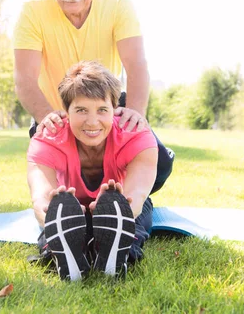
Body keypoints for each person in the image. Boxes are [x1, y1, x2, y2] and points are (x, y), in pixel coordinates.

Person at [13, 0, 174, 198]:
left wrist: (134, 113)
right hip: (55, 112)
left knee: (161, 165)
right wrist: (47, 117)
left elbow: (136, 65)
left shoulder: (118, 6)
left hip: (106, 107)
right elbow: (25, 80)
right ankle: (70, 203)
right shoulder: (32, 13)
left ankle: (124, 200)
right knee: (63, 180)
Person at [27, 61, 158, 280]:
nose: (92, 121)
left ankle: (120, 248)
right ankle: (61, 249)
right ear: (65, 111)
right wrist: (51, 212)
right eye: (81, 110)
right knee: (59, 218)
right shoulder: (48, 137)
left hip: (120, 200)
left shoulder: (136, 135)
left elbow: (136, 195)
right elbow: (41, 198)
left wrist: (123, 210)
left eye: (102, 110)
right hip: (71, 203)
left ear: (115, 110)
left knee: (135, 220)